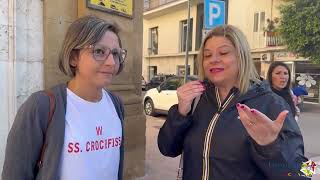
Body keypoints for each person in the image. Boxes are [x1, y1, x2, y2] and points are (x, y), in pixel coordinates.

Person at [158, 25, 308, 179]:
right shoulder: (197, 100)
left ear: (241, 56)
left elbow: (305, 172)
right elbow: (166, 148)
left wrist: (270, 146)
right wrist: (180, 113)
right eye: (207, 55)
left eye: (223, 53)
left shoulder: (272, 104)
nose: (214, 60)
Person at [2, 16, 126, 180]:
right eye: (99, 51)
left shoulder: (116, 104)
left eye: (116, 54)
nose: (111, 62)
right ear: (74, 57)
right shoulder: (41, 107)